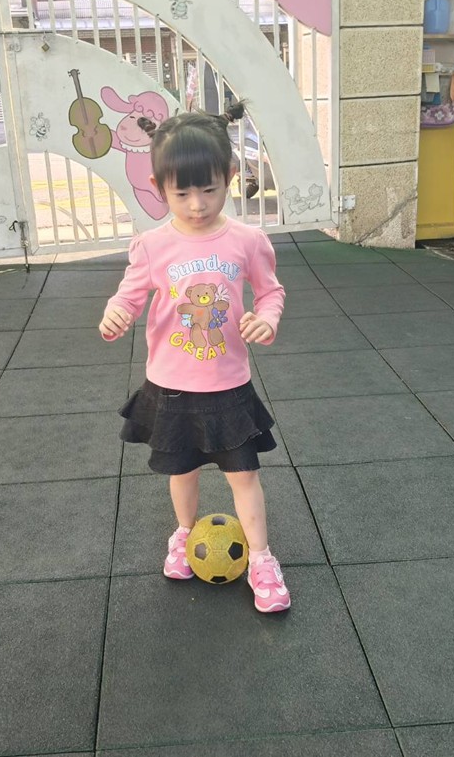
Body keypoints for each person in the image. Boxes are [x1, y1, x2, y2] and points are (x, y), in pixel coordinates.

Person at [99, 103, 290, 613]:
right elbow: (129, 296)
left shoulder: (248, 240)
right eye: (182, 193)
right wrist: (116, 314)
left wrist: (267, 319)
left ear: (230, 175)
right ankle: (183, 535)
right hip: (170, 385)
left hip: (228, 384)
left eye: (209, 189)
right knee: (181, 472)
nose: (198, 204)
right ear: (158, 187)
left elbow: (270, 292)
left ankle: (261, 557)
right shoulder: (152, 245)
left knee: (243, 475)